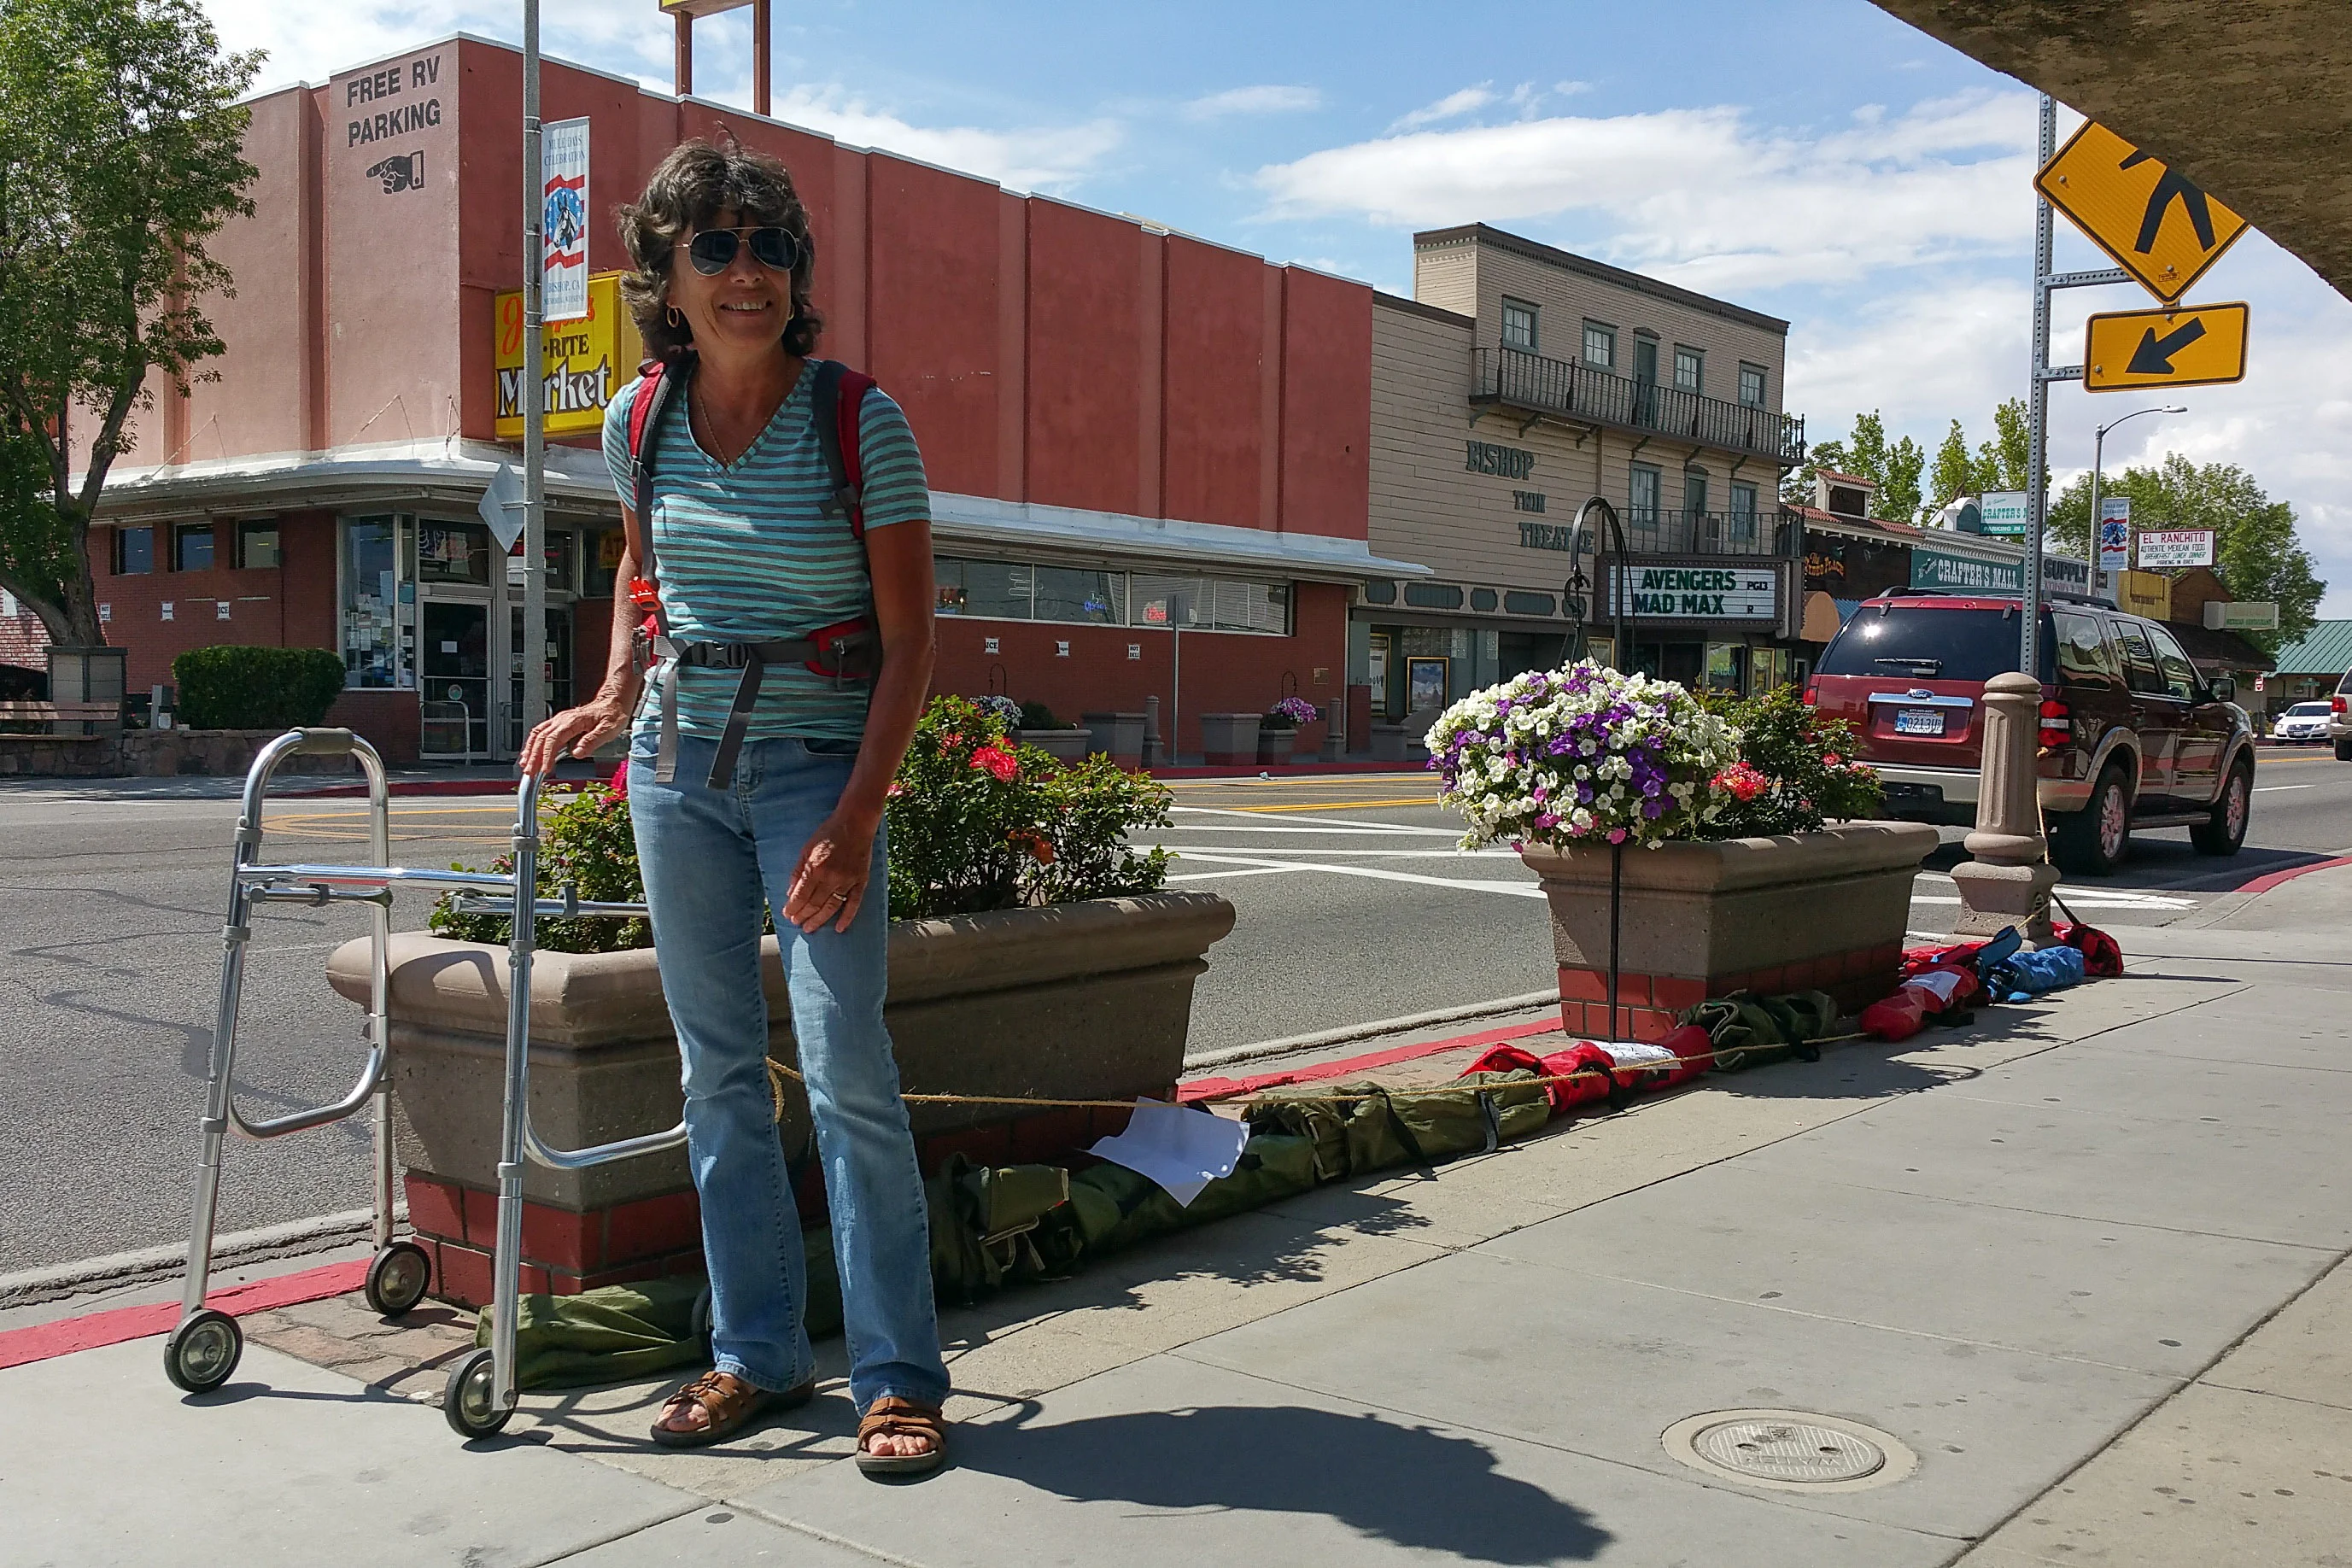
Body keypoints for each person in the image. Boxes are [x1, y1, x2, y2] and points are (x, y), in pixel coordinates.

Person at [518, 137, 948, 1478]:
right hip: (676, 769)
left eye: (770, 247)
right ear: (668, 272)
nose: (749, 271)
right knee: (714, 1080)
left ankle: (895, 1377)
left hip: (819, 767)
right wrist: (609, 692)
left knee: (847, 1075)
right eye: (717, 246)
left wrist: (855, 819)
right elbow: (644, 572)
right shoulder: (638, 420)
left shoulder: (855, 418)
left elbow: (912, 642)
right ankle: (754, 1356)